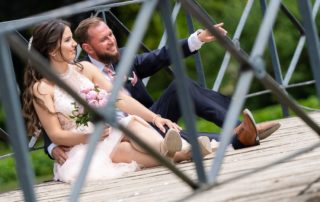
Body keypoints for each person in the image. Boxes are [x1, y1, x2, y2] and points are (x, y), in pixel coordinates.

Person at [46, 17, 280, 162]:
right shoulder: (80, 73)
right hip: (121, 136)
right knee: (180, 137)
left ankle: (239, 128)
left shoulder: (125, 57)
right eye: (104, 40)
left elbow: (162, 56)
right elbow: (59, 108)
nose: (112, 41)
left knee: (181, 86)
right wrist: (52, 146)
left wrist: (197, 38)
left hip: (150, 119)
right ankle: (241, 136)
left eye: (111, 34)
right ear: (88, 47)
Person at [22, 19, 205, 182]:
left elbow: (120, 99)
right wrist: (90, 137)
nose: (74, 44)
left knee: (131, 123)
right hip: (80, 147)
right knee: (122, 150)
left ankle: (166, 147)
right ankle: (183, 153)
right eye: (68, 40)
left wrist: (155, 118)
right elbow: (56, 135)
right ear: (53, 50)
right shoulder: (42, 89)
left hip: (105, 132)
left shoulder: (85, 68)